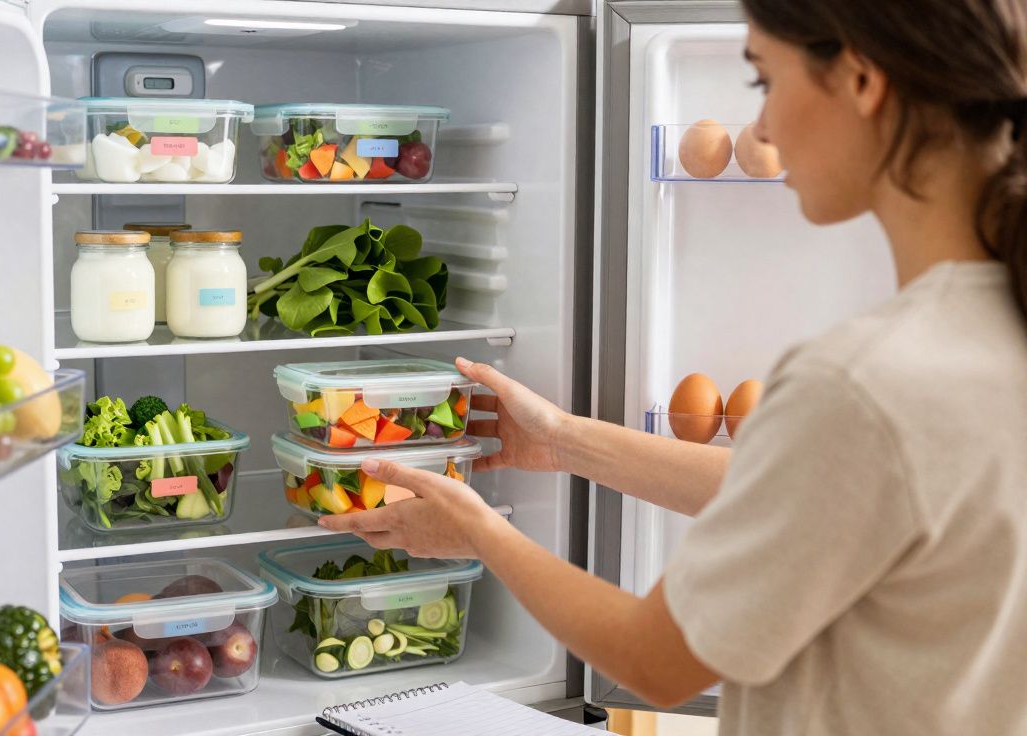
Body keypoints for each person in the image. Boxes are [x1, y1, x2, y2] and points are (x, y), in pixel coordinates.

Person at [319, 1, 1027, 732]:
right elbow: (812, 495)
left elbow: (658, 659)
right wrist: (563, 439)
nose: (762, 131)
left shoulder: (859, 384)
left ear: (861, 81)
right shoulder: (984, 333)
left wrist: (479, 534)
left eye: (765, 82)